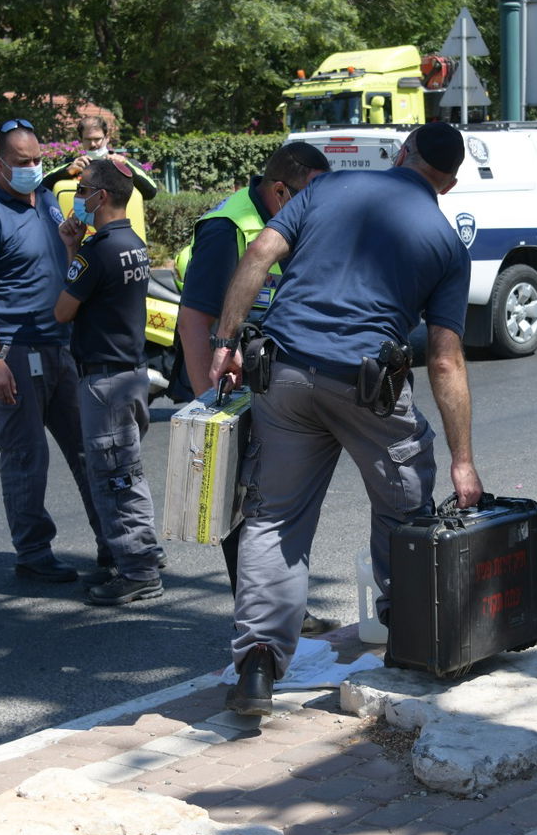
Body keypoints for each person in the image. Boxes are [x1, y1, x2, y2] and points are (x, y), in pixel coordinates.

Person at [209, 122, 484, 716]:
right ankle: (410, 639)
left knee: (273, 518)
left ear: (403, 153)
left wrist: (225, 341)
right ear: (451, 182)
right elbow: (444, 358)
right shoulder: (444, 242)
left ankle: (256, 666)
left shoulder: (325, 191)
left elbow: (259, 253)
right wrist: (463, 460)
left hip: (282, 377)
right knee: (405, 509)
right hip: (369, 392)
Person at [173, 142, 335, 634]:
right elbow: (194, 319)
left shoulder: (295, 221)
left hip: (275, 385)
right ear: (281, 189)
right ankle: (265, 623)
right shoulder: (229, 228)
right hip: (231, 389)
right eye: (311, 194)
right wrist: (210, 406)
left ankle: (281, 614)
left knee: (272, 502)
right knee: (242, 509)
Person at [0, 118, 108, 582]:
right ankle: (34, 555)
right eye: (22, 162)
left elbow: (58, 264)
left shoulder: (43, 199)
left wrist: (71, 242)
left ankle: (113, 543)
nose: (33, 168)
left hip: (59, 344)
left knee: (89, 450)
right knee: (26, 459)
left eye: (38, 158)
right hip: (16, 350)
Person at [52, 156, 165, 605]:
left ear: (100, 197)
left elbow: (64, 309)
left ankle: (139, 571)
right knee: (126, 473)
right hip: (131, 376)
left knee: (116, 478)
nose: (77, 201)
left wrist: (72, 250)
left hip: (106, 381)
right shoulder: (132, 242)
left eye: (81, 193)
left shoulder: (98, 252)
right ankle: (139, 558)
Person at [45, 115, 158, 243]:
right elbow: (41, 187)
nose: (93, 144)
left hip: (118, 242)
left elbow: (151, 191)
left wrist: (126, 166)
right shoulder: (72, 165)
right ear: (81, 140)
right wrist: (67, 171)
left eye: (97, 139)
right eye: (88, 139)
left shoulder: (122, 164)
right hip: (77, 242)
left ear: (107, 138)